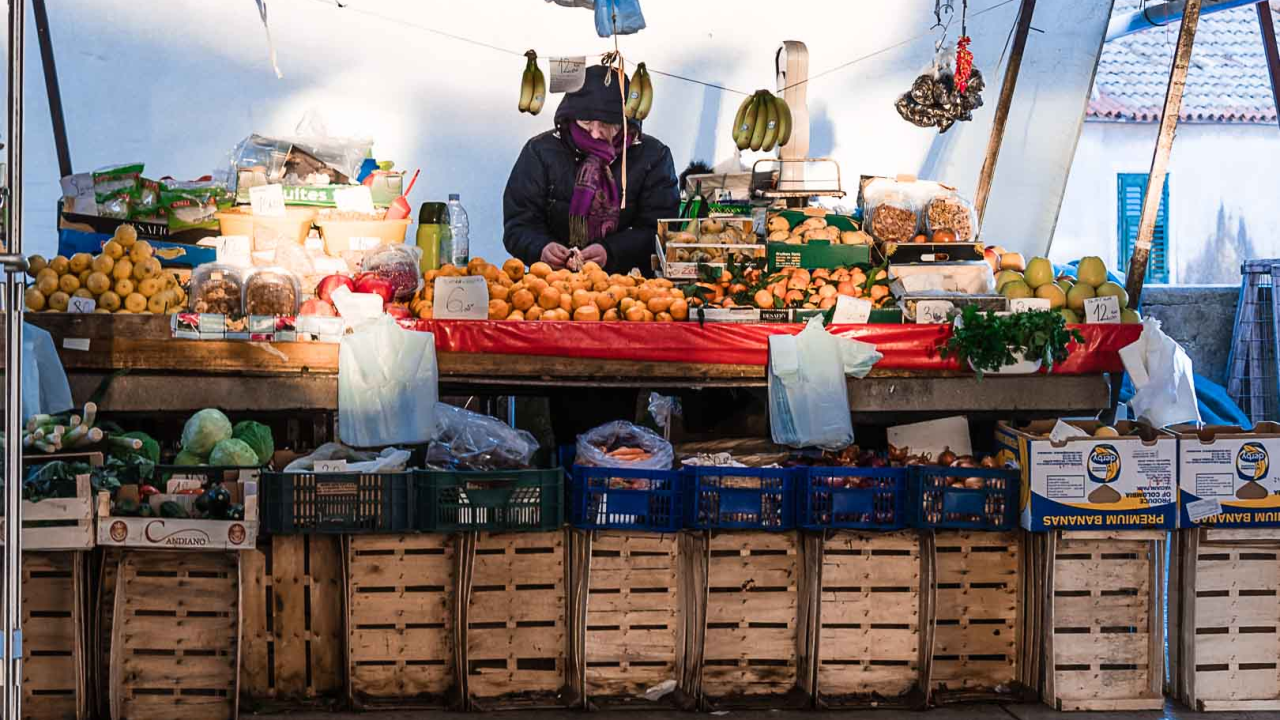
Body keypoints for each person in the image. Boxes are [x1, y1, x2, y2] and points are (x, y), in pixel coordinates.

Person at [503, 65, 679, 275]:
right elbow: (518, 225)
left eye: (606, 123)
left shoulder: (653, 156)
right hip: (553, 287)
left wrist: (611, 251)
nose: (595, 134)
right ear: (570, 116)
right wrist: (541, 249)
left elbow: (660, 231)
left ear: (625, 120)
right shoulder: (540, 152)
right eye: (586, 122)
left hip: (631, 286)